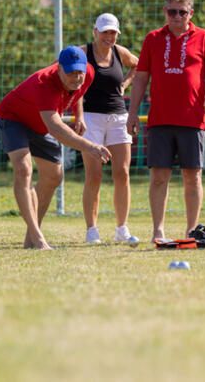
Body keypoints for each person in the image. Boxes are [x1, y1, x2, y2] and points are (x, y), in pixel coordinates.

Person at [126, 0, 205, 241]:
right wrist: (133, 112)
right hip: (159, 120)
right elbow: (141, 79)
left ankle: (191, 231)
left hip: (193, 120)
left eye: (182, 12)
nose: (177, 16)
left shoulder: (204, 38)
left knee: (193, 177)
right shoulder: (153, 38)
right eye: (172, 11)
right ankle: (158, 230)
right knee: (159, 178)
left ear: (191, 12)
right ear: (165, 12)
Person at [0, 46, 112, 250]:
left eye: (79, 72)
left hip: (40, 123)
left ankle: (31, 237)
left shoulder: (88, 74)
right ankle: (37, 237)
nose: (76, 78)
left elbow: (78, 93)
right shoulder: (44, 83)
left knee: (53, 177)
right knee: (24, 170)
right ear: (58, 68)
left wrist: (80, 115)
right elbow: (55, 127)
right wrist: (89, 146)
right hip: (14, 118)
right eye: (70, 73)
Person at [78, 13, 139, 243]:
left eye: (113, 32)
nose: (109, 36)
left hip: (118, 118)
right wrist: (77, 113)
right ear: (95, 31)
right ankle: (91, 231)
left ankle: (122, 229)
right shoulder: (82, 53)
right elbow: (59, 68)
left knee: (122, 173)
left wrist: (125, 83)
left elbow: (138, 66)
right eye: (104, 31)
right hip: (90, 118)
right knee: (94, 175)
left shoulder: (119, 52)